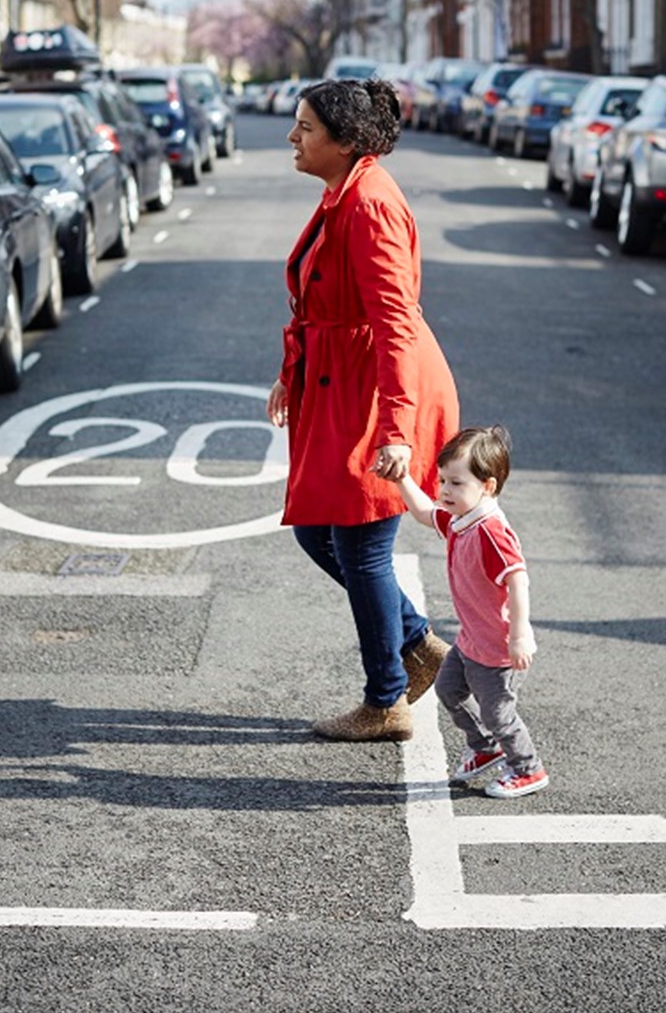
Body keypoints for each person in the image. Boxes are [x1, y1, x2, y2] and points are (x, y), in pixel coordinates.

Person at [267, 78, 459, 743]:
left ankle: (386, 701)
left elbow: (395, 324)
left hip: (376, 390)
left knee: (359, 544)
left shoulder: (370, 204)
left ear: (346, 143)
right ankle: (419, 648)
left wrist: (397, 430)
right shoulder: (342, 190)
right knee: (319, 532)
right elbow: (321, 301)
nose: (293, 137)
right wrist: (288, 375)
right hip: (340, 383)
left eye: (306, 129)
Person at [395, 425, 549, 798]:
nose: (445, 490)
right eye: (443, 480)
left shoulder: (490, 531)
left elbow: (517, 579)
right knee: (448, 689)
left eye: (457, 483)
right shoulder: (461, 519)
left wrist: (519, 635)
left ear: (488, 487)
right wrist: (401, 479)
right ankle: (485, 748)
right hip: (470, 641)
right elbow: (421, 512)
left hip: (498, 649)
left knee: (499, 714)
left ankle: (528, 770)